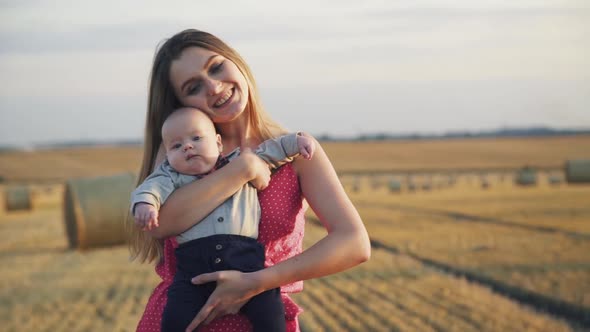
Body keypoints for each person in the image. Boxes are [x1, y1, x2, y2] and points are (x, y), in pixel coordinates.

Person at [127, 28, 371, 332]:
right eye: (194, 87)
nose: (214, 87)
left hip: (261, 318)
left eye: (216, 67)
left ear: (236, 62)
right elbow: (161, 224)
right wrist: (241, 170)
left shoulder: (294, 152)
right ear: (182, 105)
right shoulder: (181, 152)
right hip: (184, 318)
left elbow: (354, 243)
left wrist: (257, 282)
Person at [130, 106, 314, 332]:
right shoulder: (170, 176)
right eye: (176, 146)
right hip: (193, 272)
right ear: (167, 155)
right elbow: (149, 188)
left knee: (270, 312)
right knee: (174, 320)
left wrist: (297, 142)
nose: (187, 146)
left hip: (247, 262)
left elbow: (273, 150)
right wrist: (145, 204)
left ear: (218, 143)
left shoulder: (242, 160)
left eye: (196, 138)